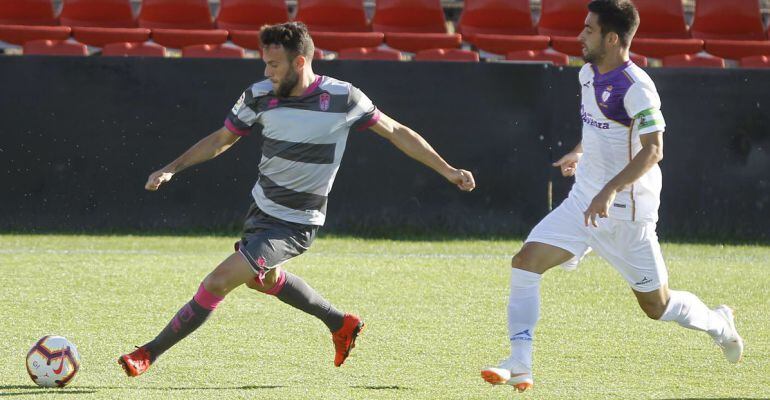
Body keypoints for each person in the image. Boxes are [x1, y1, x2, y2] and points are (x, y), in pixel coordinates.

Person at [118, 22, 476, 377]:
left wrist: (447, 170)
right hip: (261, 209)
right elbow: (220, 140)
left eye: (274, 65)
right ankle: (340, 323)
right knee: (264, 280)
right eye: (265, 64)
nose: (266, 72)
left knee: (217, 281)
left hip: (297, 222)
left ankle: (149, 352)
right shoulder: (259, 94)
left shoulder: (343, 98)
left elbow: (397, 132)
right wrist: (172, 168)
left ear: (300, 63)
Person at [480, 0, 743, 392]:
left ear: (613, 38)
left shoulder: (637, 87)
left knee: (657, 306)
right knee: (525, 262)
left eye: (589, 29)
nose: (580, 35)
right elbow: (599, 129)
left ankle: (720, 322)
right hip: (583, 201)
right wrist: (579, 152)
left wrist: (609, 190)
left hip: (626, 215)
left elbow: (653, 149)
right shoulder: (588, 74)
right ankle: (520, 361)